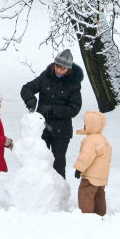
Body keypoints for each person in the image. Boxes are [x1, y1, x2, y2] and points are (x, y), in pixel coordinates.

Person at [20, 48, 83, 178]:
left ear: (68, 69)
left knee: (58, 162)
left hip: (61, 130)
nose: (59, 70)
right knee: (40, 160)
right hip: (42, 127)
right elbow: (27, 88)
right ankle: (39, 190)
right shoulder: (45, 76)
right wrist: (30, 99)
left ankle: (59, 194)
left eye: (63, 68)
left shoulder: (73, 84)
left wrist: (54, 109)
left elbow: (74, 108)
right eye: (57, 66)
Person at [73, 111, 112, 216]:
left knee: (85, 194)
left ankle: (87, 216)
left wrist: (79, 169)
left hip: (90, 176)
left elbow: (86, 157)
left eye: (86, 124)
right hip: (102, 176)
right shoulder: (103, 140)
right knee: (99, 195)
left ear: (92, 125)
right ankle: (100, 214)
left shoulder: (90, 141)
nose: (84, 126)